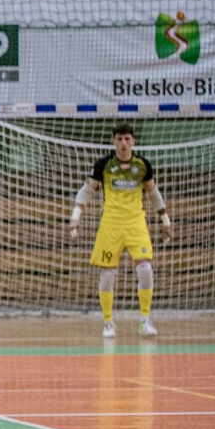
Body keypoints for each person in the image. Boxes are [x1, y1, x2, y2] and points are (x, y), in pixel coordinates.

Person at [69, 122, 171, 338]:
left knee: (145, 268)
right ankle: (108, 322)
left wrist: (165, 220)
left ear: (133, 141)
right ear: (114, 141)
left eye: (127, 139)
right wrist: (75, 217)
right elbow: (86, 191)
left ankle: (144, 320)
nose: (123, 143)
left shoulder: (142, 165)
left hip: (136, 223)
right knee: (107, 274)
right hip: (111, 224)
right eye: (119, 139)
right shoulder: (104, 165)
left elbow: (153, 193)